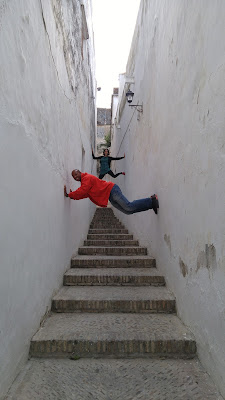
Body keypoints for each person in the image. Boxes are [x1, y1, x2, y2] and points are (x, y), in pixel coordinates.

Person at [64, 170, 159, 215]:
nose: (75, 177)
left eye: (76, 174)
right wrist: (72, 196)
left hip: (112, 190)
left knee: (128, 206)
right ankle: (151, 205)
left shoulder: (86, 178)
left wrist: (69, 194)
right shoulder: (84, 183)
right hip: (109, 195)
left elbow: (82, 190)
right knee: (128, 211)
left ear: (80, 172)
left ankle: (151, 200)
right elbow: (84, 194)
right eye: (73, 177)